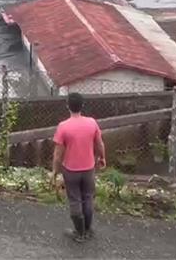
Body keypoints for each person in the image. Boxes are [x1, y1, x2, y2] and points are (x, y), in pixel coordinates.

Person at [51, 92, 106, 243]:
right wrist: (102, 158)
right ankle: (88, 229)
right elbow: (100, 143)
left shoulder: (63, 127)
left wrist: (55, 171)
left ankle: (79, 232)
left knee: (75, 200)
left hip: (70, 170)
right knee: (88, 198)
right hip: (89, 169)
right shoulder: (92, 123)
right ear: (82, 105)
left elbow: (57, 154)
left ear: (67, 106)